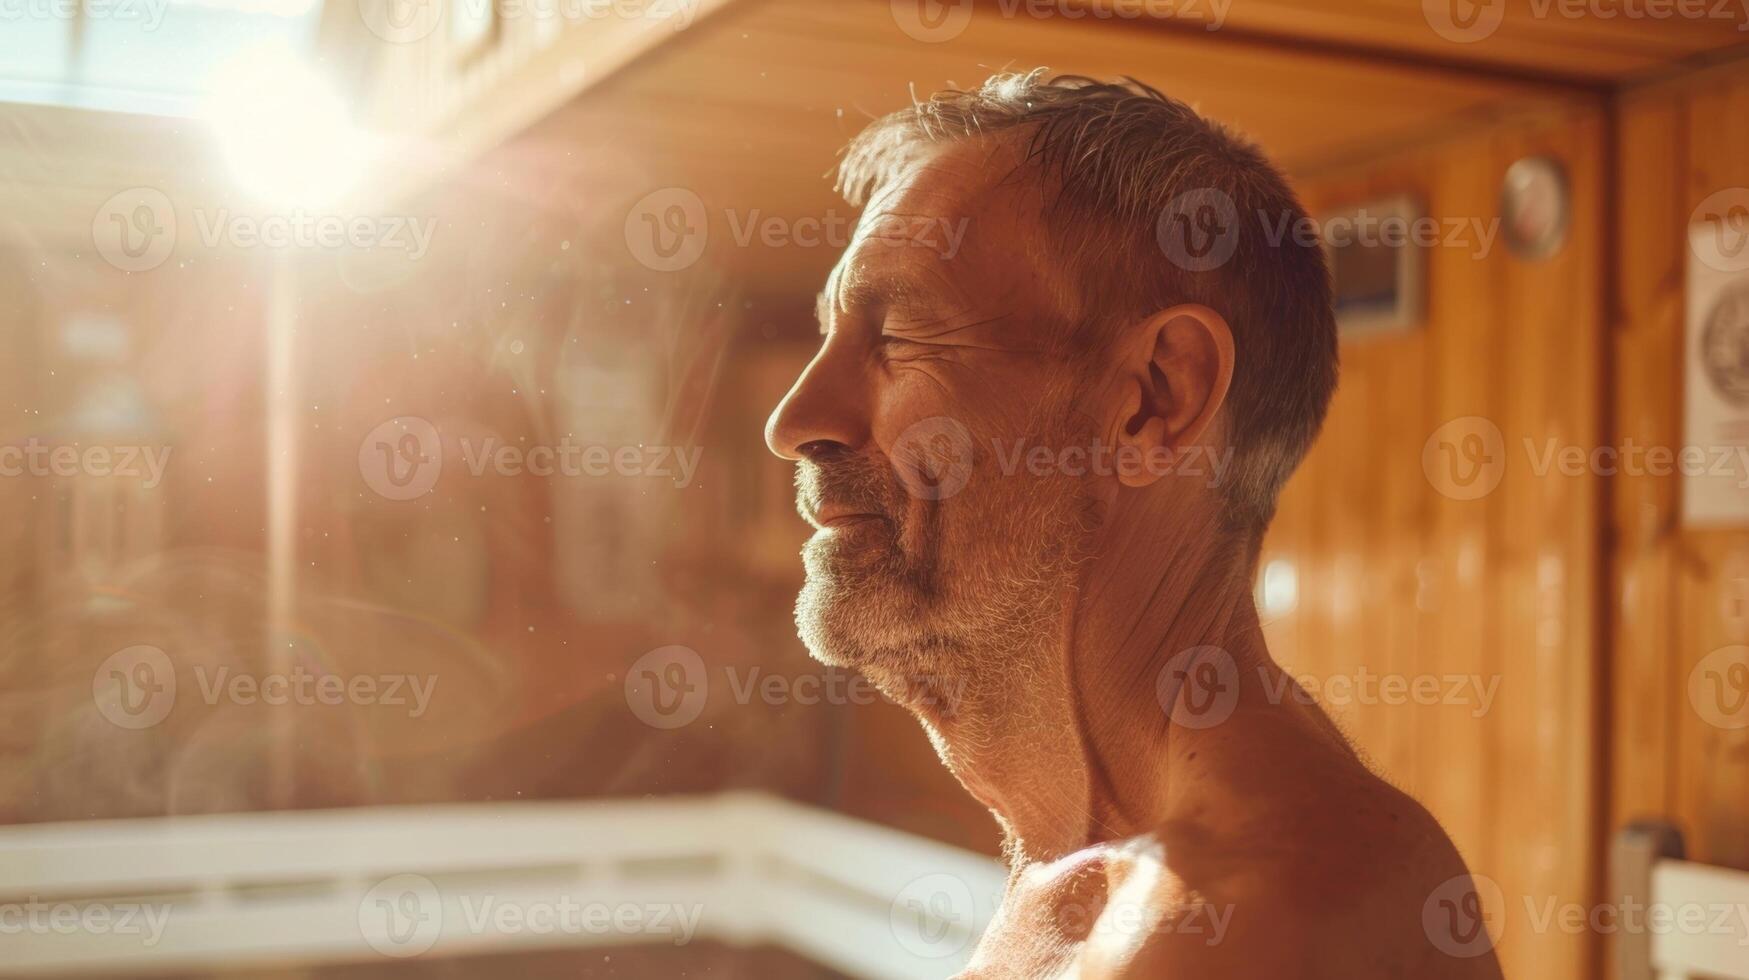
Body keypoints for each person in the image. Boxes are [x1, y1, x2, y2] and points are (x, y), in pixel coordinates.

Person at [763, 71, 1504, 978]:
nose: (795, 420)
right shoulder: (1089, 871)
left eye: (901, 335)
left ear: (1156, 400)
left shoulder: (1246, 925)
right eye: (828, 335)